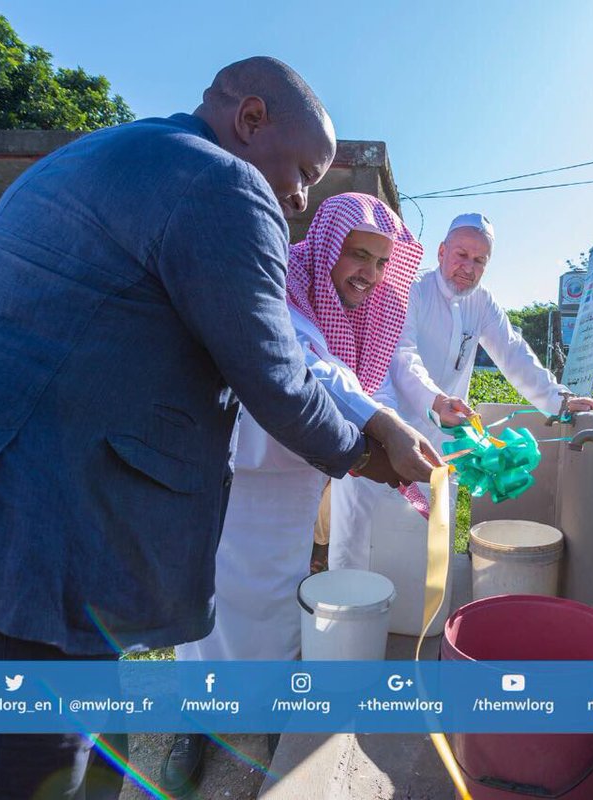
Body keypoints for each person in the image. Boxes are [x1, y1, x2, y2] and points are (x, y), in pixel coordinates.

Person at [0, 57, 432, 799]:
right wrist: (369, 453)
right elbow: (277, 373)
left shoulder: (103, 155)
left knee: (87, 762)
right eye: (302, 172)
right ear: (251, 119)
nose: (298, 198)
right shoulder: (221, 183)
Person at [165, 192, 427, 793]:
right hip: (236, 467)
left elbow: (361, 382)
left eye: (382, 263)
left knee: (280, 590)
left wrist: (389, 429)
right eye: (358, 255)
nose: (369, 274)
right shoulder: (281, 284)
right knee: (210, 590)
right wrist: (384, 428)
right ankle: (195, 718)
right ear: (329, 246)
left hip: (298, 473)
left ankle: (267, 705)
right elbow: (310, 367)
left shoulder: (360, 314)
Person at [329, 213, 593, 570]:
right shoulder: (410, 289)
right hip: (383, 438)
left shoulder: (482, 302)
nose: (468, 268)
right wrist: (436, 401)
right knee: (361, 551)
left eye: (479, 260)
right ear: (442, 251)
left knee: (423, 557)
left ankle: (417, 608)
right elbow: (401, 357)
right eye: (461, 255)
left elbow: (513, 352)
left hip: (443, 448)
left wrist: (558, 400)